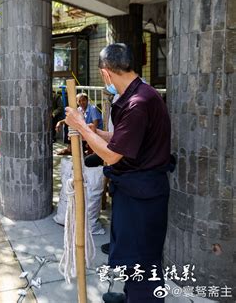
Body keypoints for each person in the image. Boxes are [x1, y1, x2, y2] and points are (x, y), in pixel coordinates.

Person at [65, 43, 172, 302]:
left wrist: (81, 125)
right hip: (136, 191)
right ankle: (130, 295)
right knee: (132, 255)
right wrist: (98, 133)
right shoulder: (141, 94)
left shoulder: (138, 103)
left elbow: (112, 154)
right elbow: (125, 140)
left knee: (142, 259)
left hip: (142, 197)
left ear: (106, 73)